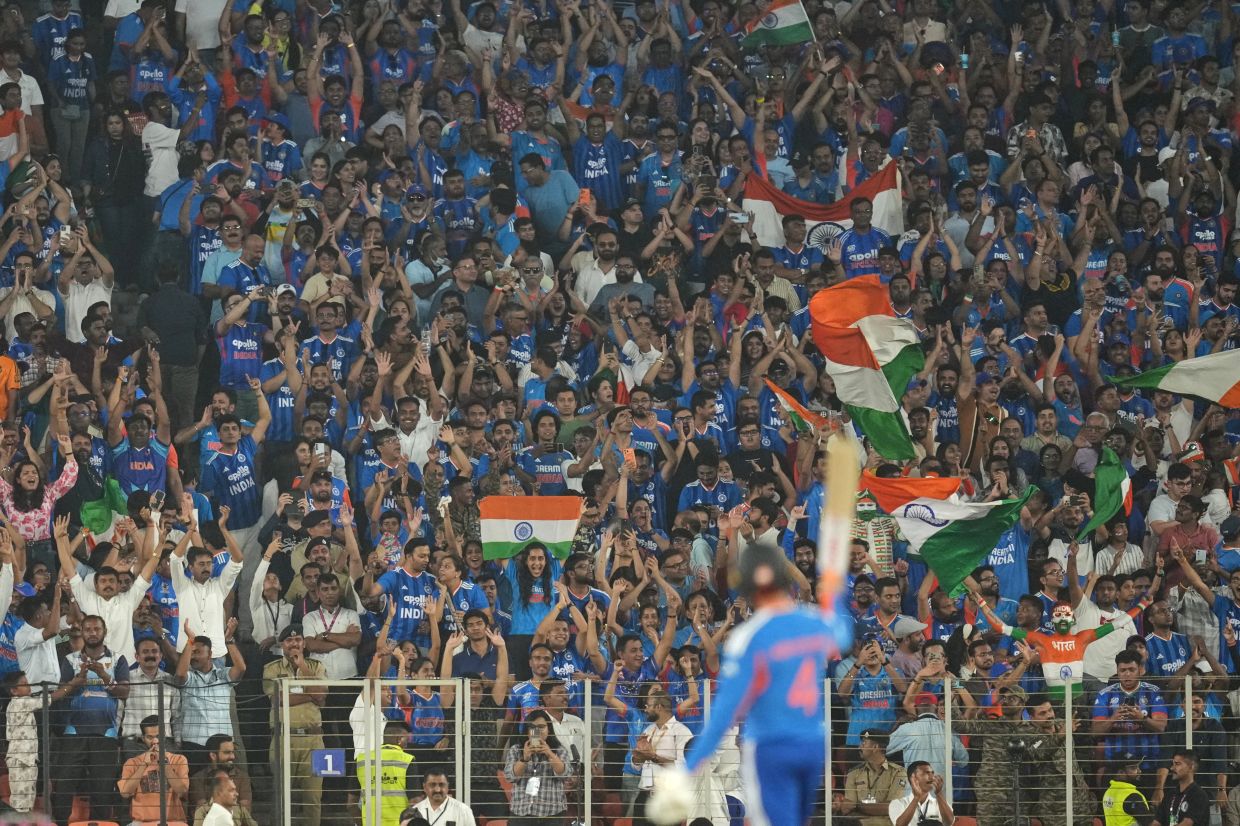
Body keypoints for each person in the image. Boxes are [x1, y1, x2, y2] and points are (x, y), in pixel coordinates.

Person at [656, 543, 853, 825]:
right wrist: (833, 587)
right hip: (811, 744)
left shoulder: (748, 638)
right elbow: (843, 635)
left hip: (771, 748)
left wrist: (686, 771)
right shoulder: (813, 621)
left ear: (745, 584)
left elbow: (724, 713)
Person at [262, 624, 326, 826]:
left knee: (313, 797)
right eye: (289, 640)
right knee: (281, 796)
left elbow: (321, 695)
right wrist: (310, 694)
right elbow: (278, 698)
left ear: (304, 643)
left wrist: (303, 667)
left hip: (314, 740)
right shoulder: (271, 668)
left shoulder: (316, 666)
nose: (294, 643)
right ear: (282, 644)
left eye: (298, 639)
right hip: (282, 739)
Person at [117, 714, 191, 822]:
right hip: (142, 823)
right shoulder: (132, 763)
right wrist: (144, 765)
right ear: (143, 738)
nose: (155, 741)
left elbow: (182, 791)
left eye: (158, 736)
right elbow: (125, 793)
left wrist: (164, 764)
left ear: (164, 735)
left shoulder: (179, 760)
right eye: (150, 737)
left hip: (172, 822)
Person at [838, 730, 907, 826]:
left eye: (864, 743)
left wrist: (858, 806)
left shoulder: (898, 773)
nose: (859, 747)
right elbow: (846, 809)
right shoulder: (853, 774)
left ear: (875, 747)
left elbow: (891, 807)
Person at [356, 720, 416, 826]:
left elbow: (351, 803)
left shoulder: (361, 760)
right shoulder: (407, 760)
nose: (408, 743)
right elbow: (415, 801)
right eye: (407, 739)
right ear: (399, 739)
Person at [888, 761, 954, 826]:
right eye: (926, 773)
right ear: (913, 778)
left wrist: (939, 793)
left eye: (932, 773)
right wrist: (916, 798)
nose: (932, 777)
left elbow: (949, 822)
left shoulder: (940, 803)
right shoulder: (898, 803)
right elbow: (900, 825)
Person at [1153, 750, 1210, 826]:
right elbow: (1157, 821)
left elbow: (1187, 823)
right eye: (1173, 764)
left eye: (1177, 764)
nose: (1172, 768)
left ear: (1191, 767)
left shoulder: (1199, 795)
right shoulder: (1170, 795)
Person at [409, 769, 478, 826]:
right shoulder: (414, 811)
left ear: (448, 786)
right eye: (432, 785)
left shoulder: (463, 811)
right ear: (424, 787)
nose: (437, 789)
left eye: (442, 785)